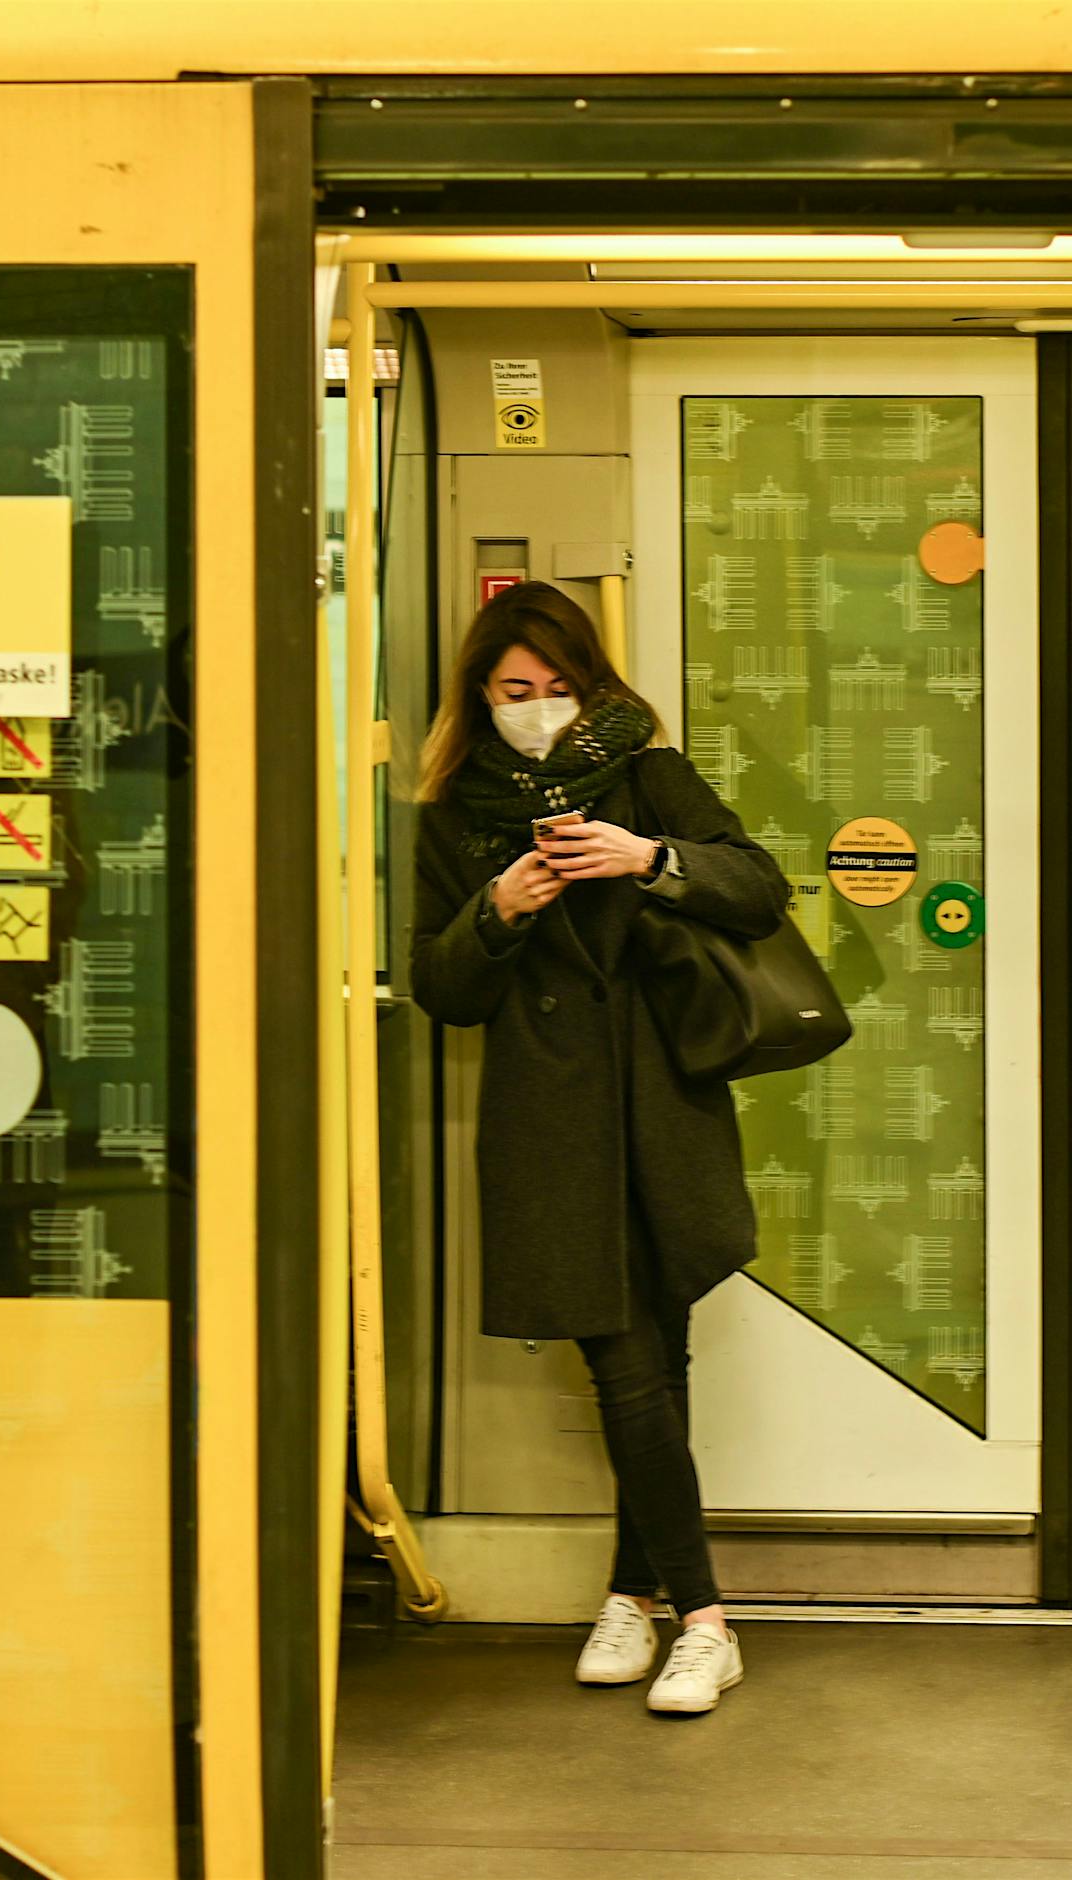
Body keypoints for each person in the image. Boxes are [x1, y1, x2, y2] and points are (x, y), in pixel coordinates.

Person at [409, 581, 787, 1716]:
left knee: (647, 1364)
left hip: (659, 1104)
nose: (537, 708)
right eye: (514, 690)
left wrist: (647, 856)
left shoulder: (646, 775)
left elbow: (759, 889)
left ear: (592, 687)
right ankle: (699, 1614)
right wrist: (501, 907)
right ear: (480, 694)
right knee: (626, 1363)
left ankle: (639, 1593)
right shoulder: (451, 814)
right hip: (552, 1120)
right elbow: (441, 988)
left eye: (556, 687)